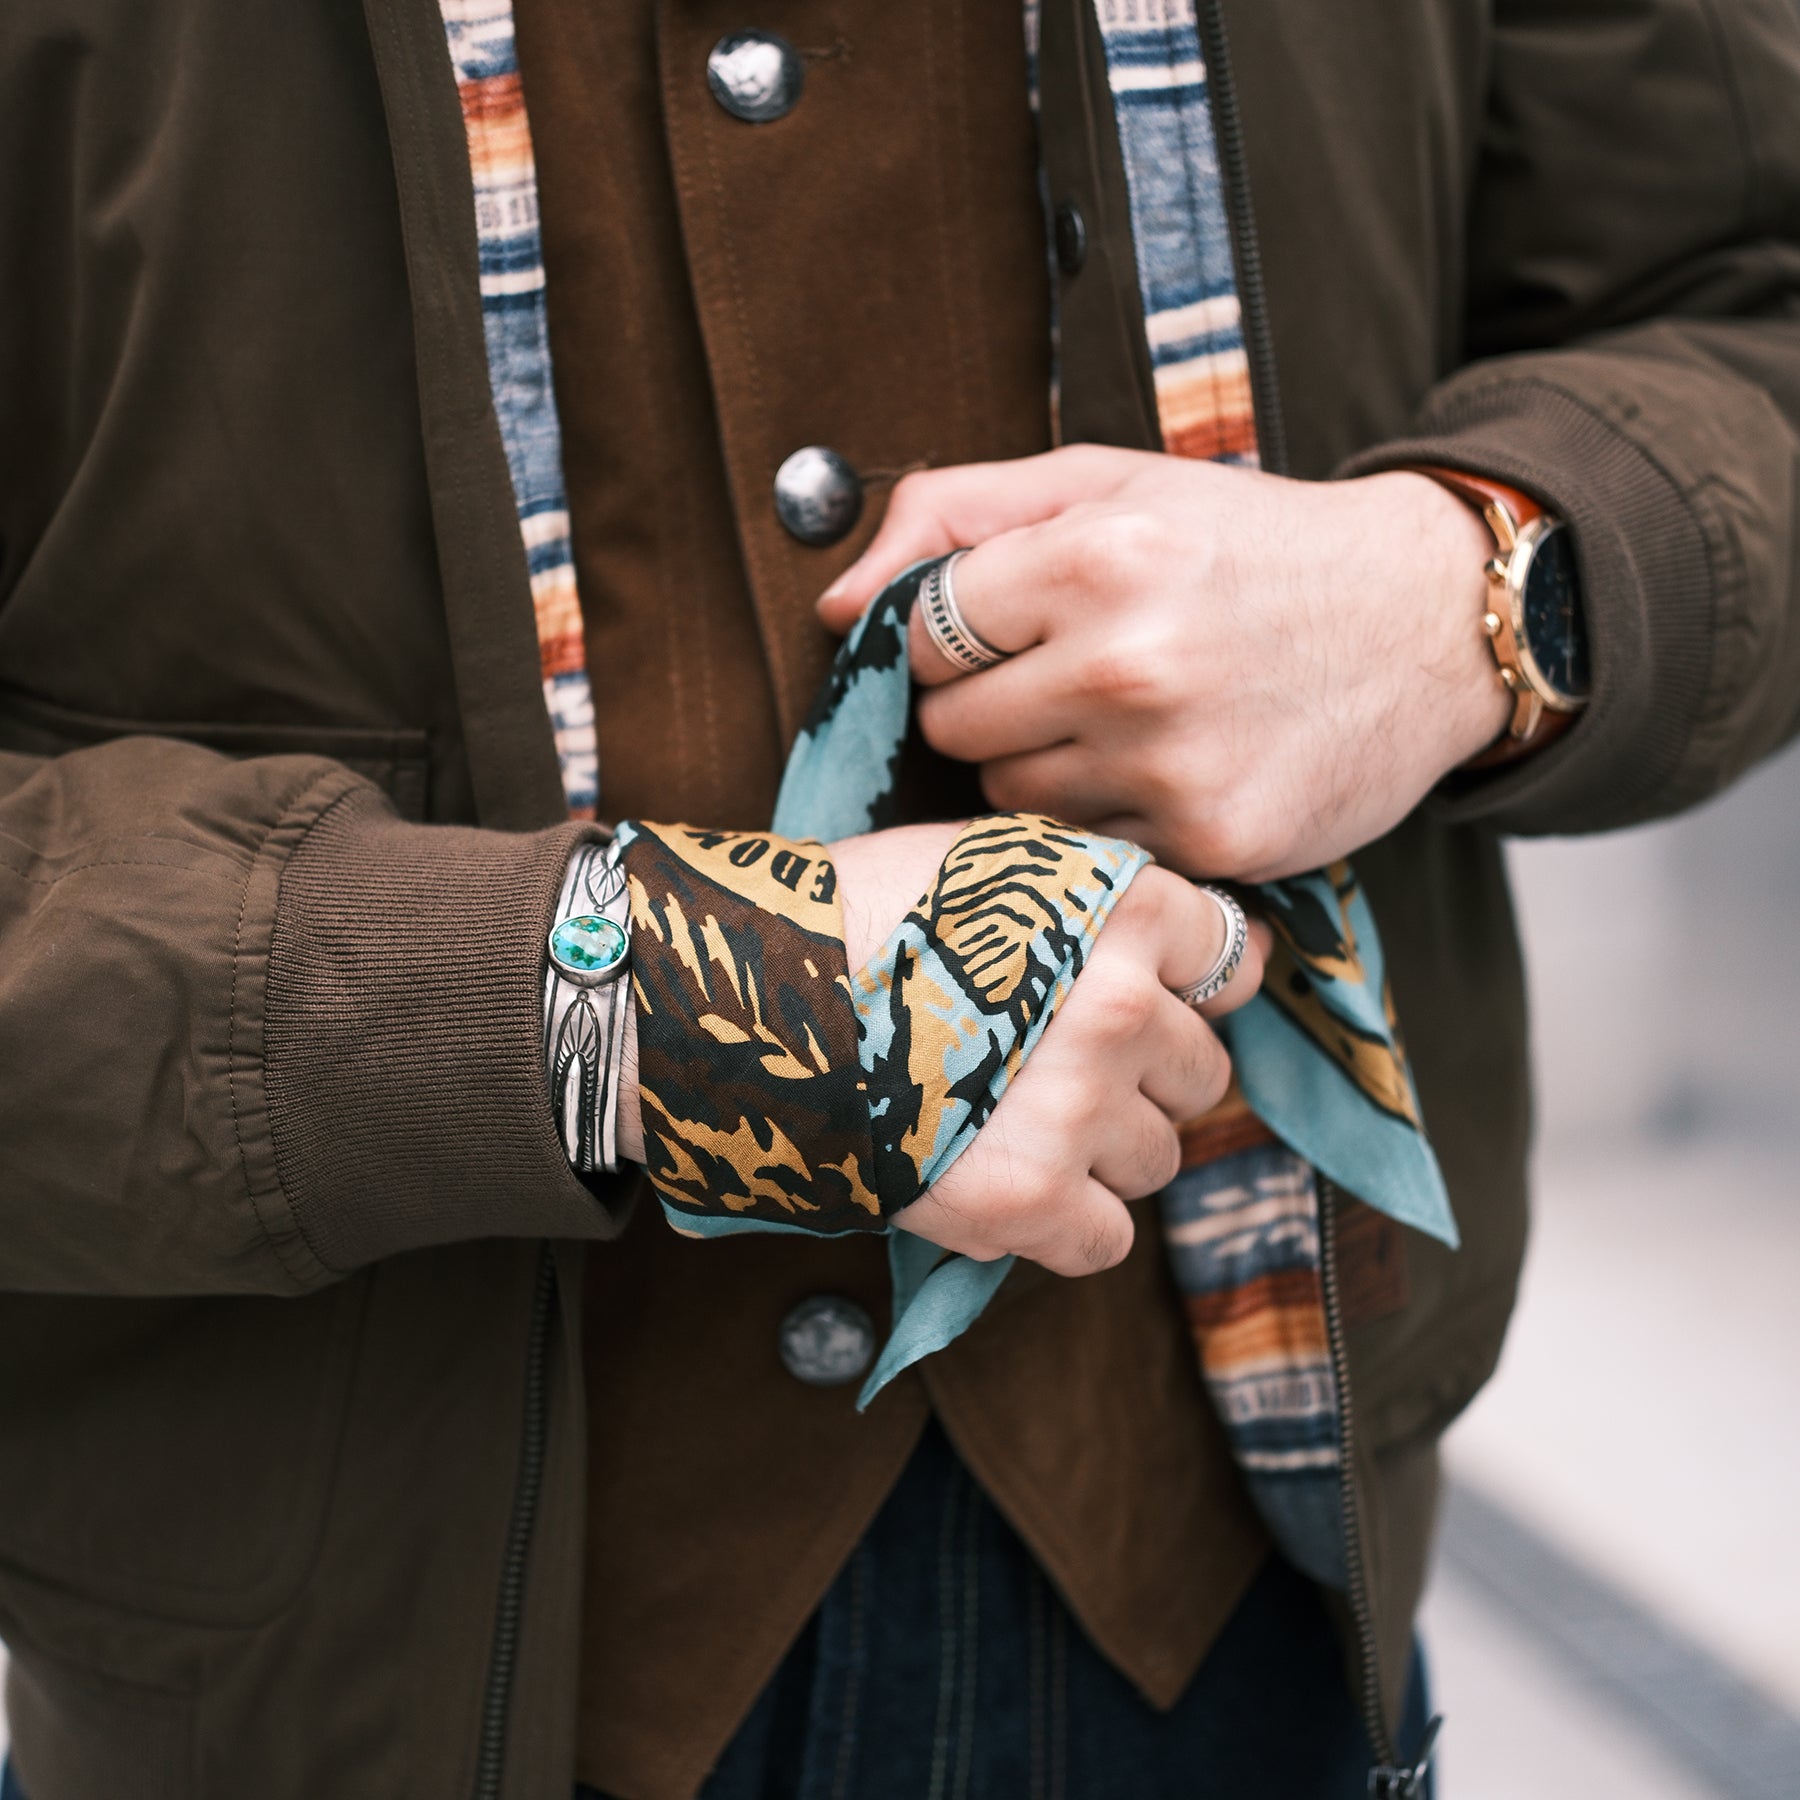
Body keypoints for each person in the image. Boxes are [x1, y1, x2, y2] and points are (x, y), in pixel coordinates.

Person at [0, 0, 1796, 1795]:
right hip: (346, 1645)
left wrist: (1469, 590)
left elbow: (1751, 292)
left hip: (1240, 1584)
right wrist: (652, 1010)